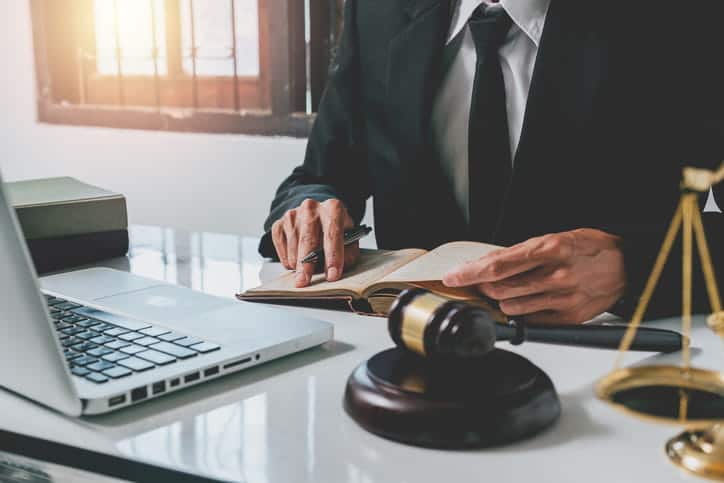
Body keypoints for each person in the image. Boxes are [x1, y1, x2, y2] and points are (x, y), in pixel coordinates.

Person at [259, 0, 724, 323]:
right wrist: (310, 210)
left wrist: (632, 267)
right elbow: (320, 177)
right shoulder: (376, 11)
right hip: (402, 352)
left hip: (609, 359)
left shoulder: (691, 19)